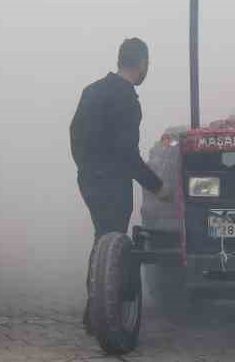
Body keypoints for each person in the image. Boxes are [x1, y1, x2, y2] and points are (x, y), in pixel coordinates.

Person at [69, 37, 172, 329]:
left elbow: (74, 135)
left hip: (89, 180)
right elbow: (127, 155)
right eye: (147, 64)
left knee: (101, 239)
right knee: (113, 244)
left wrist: (87, 170)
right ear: (142, 63)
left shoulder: (91, 92)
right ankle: (104, 314)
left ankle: (94, 310)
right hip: (113, 184)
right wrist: (157, 186)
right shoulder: (127, 100)